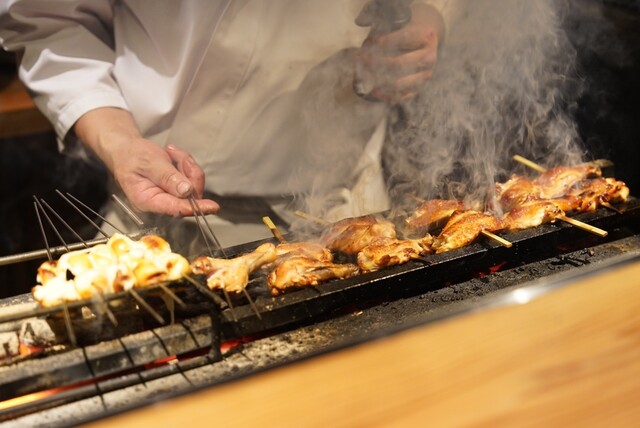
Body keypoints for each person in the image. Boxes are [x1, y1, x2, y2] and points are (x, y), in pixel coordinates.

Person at [0, 0, 453, 248]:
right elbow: (48, 22)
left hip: (346, 204)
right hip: (163, 202)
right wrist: (120, 144)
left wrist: (429, 14)